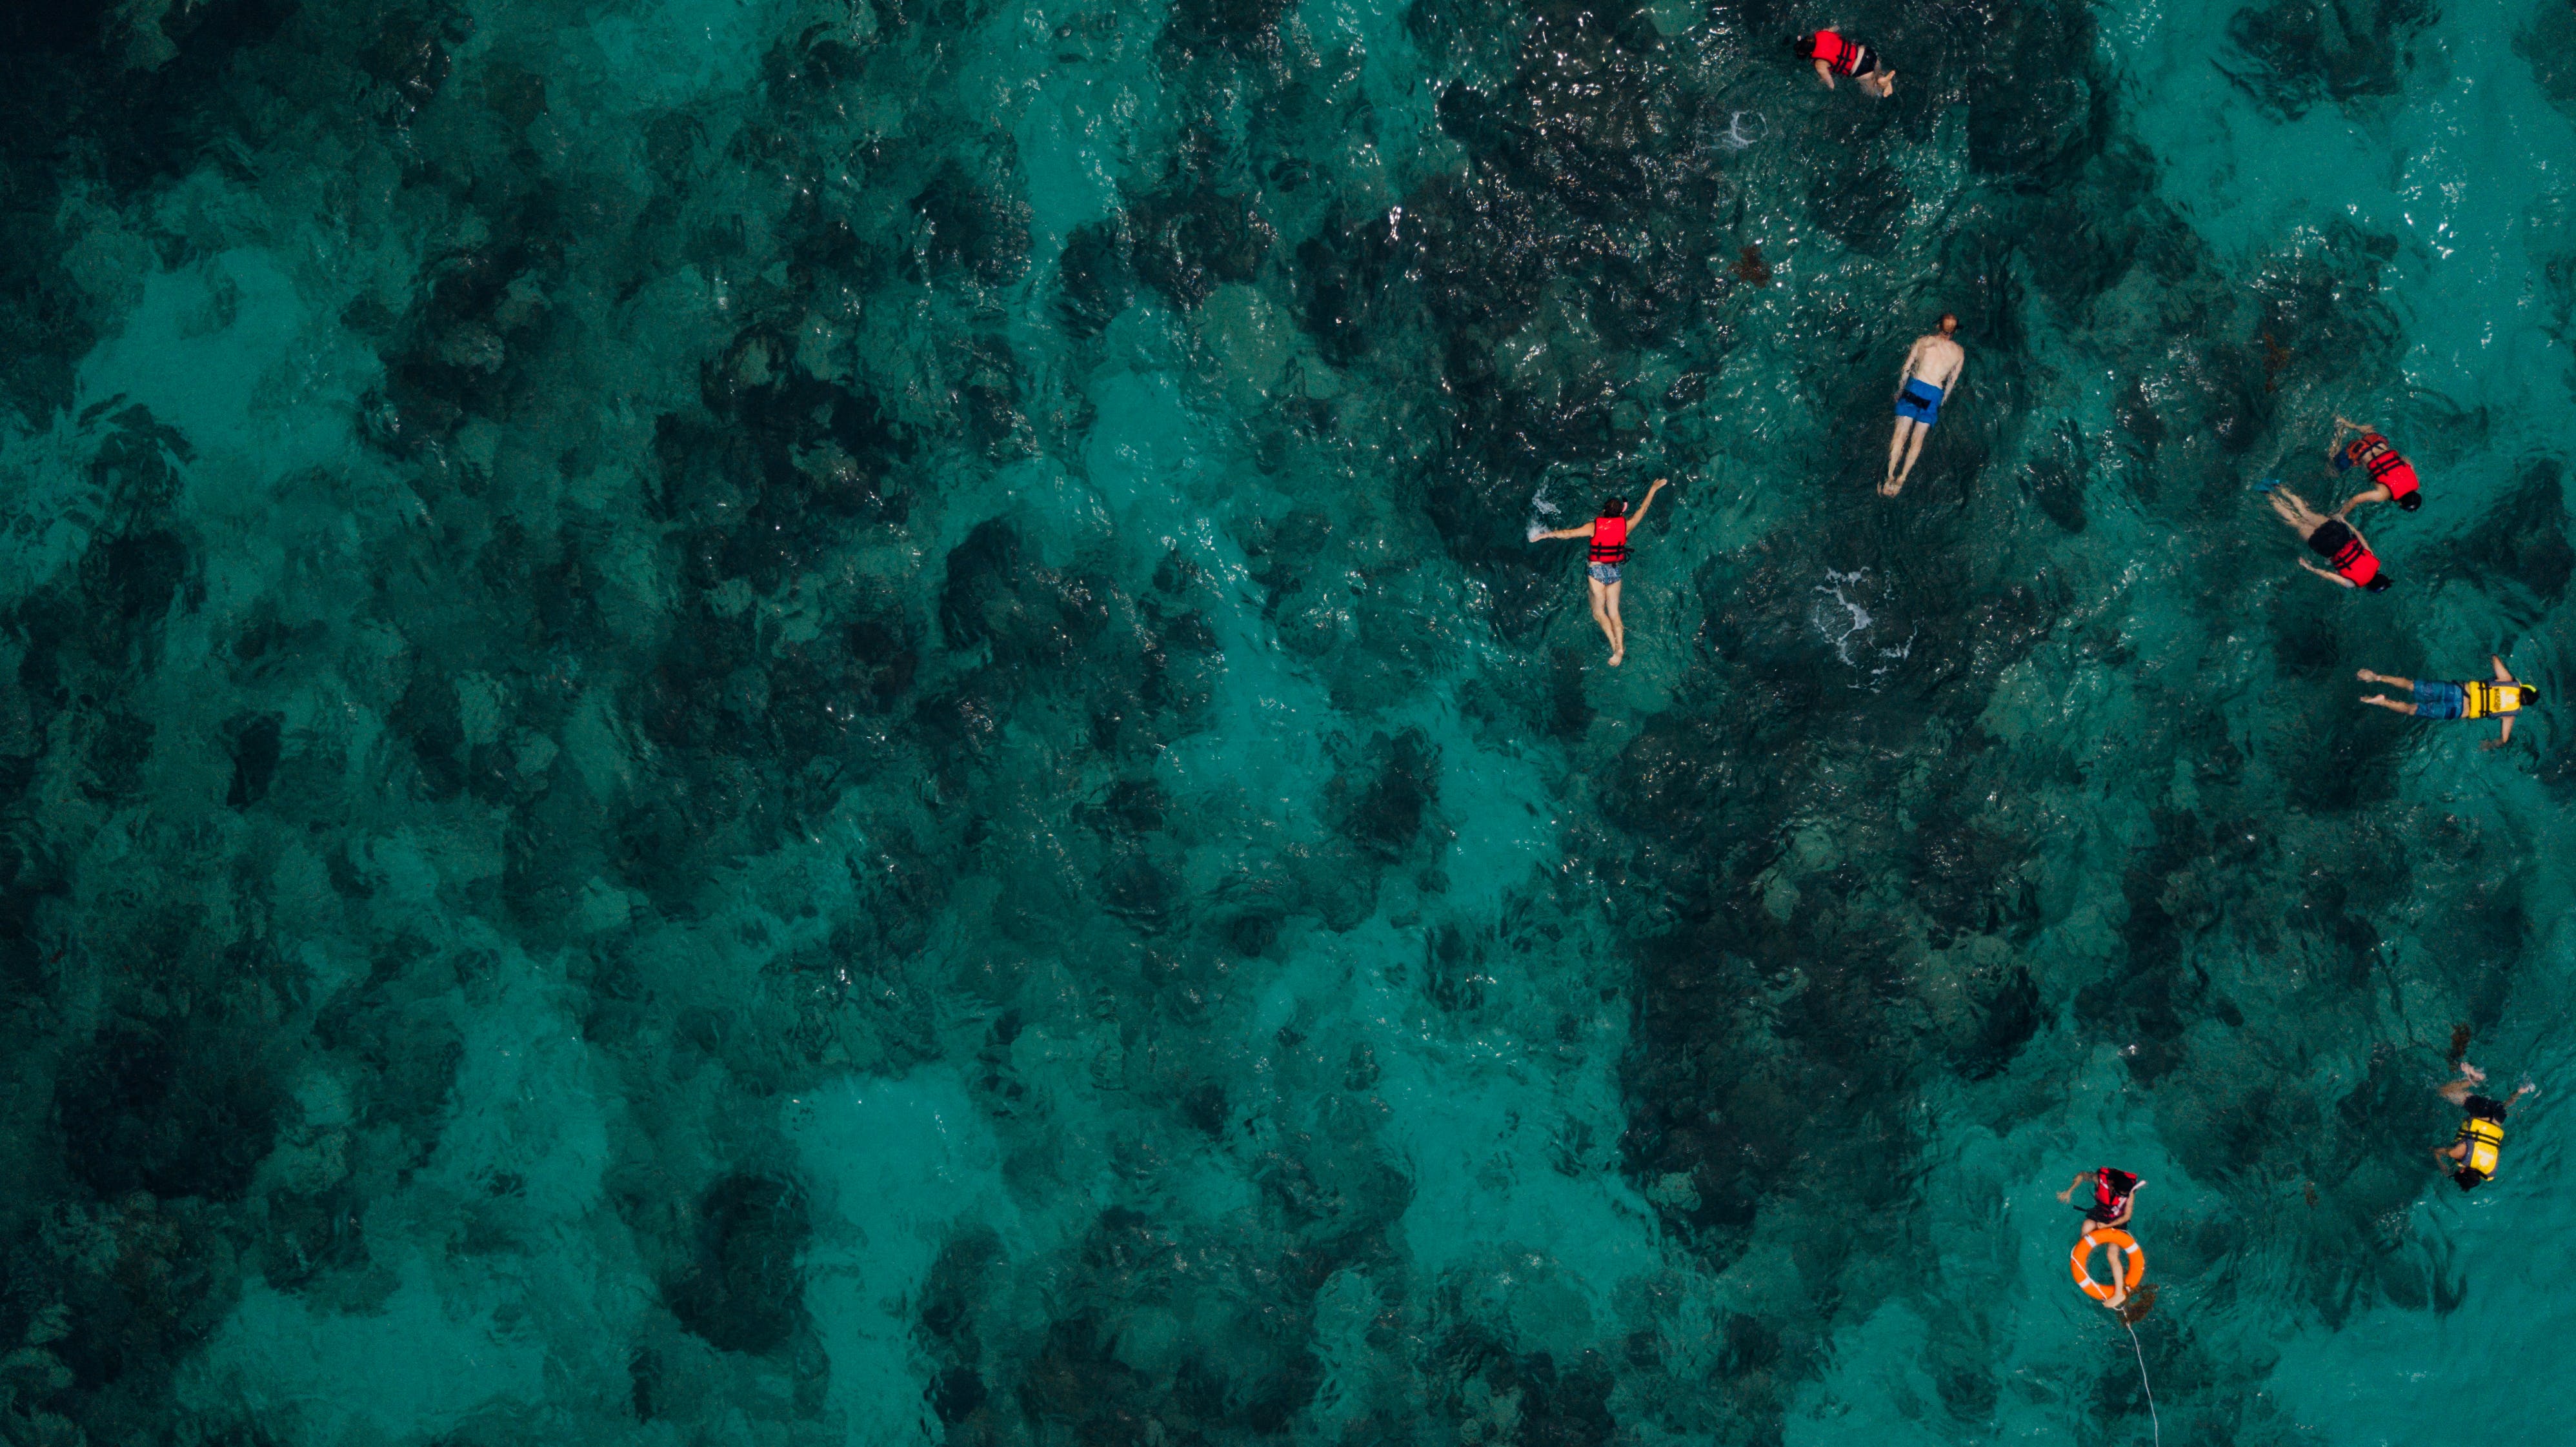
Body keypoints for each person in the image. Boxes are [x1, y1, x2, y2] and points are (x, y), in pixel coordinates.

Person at [1532, 478, 1671, 667]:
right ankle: (1620, 649)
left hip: (1596, 572)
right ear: (1620, 512)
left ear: (1605, 511)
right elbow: (1643, 510)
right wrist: (1653, 488)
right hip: (1614, 572)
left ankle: (1613, 644)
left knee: (1598, 612)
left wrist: (1543, 535)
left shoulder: (1593, 527)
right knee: (1614, 612)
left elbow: (1568, 534)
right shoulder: (1626, 526)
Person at [2357, 656, 2537, 749]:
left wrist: (2511, 676)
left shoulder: (2508, 681)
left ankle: (2377, 677)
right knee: (2412, 710)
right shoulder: (2511, 714)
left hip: (2456, 691)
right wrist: (2489, 745)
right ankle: (2382, 702)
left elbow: (2495, 659)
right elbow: (2504, 740)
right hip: (2455, 711)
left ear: (2522, 687)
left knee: (2412, 686)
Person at [1882, 316, 1964, 496]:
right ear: (1954, 331)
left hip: (1915, 387)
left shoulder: (1923, 342)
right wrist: (1941, 401)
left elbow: (1906, 369)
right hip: (1934, 393)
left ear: (1937, 326)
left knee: (1900, 434)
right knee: (1917, 439)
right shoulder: (1958, 352)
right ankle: (1902, 479)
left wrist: (1900, 390)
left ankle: (1889, 476)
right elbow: (1951, 383)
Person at [2262, 485, 2390, 591]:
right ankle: (2268, 494)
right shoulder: (2352, 583)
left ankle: (2280, 487)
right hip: (2325, 546)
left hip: (2340, 533)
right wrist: (2309, 567)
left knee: (2305, 512)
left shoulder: (2375, 561)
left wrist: (2346, 523)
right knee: (2296, 522)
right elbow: (2329, 575)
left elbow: (2360, 538)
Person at [2432, 1062, 2534, 1191]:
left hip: (2499, 1115)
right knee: (2443, 1091)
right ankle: (2474, 1079)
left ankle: (2520, 1092)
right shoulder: (2457, 1154)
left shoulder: (2490, 1168)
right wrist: (2442, 1166)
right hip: (2482, 1111)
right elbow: (2437, 1152)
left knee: (2503, 1107)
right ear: (2462, 1171)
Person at [2329, 415, 2421, 515]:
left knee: (2369, 430)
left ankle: (2347, 423)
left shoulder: (2414, 480)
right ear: (2400, 503)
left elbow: (2406, 460)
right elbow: (2356, 499)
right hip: (2358, 451)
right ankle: (2338, 434)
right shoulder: (2383, 494)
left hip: (2377, 441)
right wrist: (2341, 515)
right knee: (2332, 470)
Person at [1794, 30, 1895, 97]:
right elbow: (1837, 28)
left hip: (1860, 70)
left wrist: (1821, 81)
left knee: (1875, 92)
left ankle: (1882, 83)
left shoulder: (1819, 64)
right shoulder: (1823, 33)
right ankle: (1884, 80)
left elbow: (1831, 84)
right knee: (1878, 71)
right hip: (1867, 53)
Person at [2057, 1167, 2143, 1228]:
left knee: (2112, 1252)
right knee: (2087, 1226)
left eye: (2123, 1195)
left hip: (2118, 1222)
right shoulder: (2100, 1180)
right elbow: (2082, 1175)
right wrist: (2069, 1191)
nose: (2120, 1197)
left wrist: (2108, 1226)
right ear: (2111, 1184)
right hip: (2100, 1214)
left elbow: (2127, 1216)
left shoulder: (2128, 1191)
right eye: (2118, 1193)